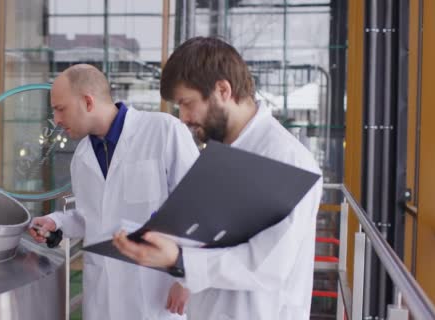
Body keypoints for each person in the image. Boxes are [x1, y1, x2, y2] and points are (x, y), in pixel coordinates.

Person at [113, 37, 323, 320]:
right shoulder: (219, 154)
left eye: (187, 103)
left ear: (223, 89)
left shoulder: (286, 157)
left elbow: (269, 264)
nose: (184, 118)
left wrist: (179, 259)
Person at [28, 64, 199, 319]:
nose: (57, 120)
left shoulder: (163, 131)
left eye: (60, 108)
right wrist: (57, 222)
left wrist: (188, 277)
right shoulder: (81, 157)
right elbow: (92, 217)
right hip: (103, 299)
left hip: (155, 294)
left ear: (87, 101)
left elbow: (198, 207)